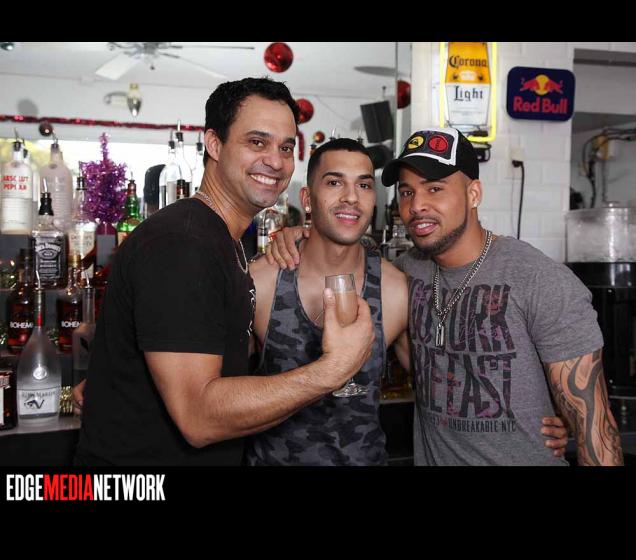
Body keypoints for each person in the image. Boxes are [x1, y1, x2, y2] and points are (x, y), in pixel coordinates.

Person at [73, 77, 375, 466]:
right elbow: (199, 417)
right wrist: (333, 369)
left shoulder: (220, 240)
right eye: (257, 142)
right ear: (214, 144)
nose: (276, 161)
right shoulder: (182, 243)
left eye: (286, 147)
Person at [265, 133, 573, 466]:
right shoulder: (404, 273)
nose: (417, 205)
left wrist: (561, 409)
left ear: (474, 194)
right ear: (308, 198)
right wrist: (296, 233)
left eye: (435, 188)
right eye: (407, 192)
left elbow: (453, 372)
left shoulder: (401, 283)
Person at [245, 138, 410, 465]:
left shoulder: (395, 290)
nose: (351, 197)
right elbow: (218, 399)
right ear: (307, 199)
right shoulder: (261, 282)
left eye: (364, 185)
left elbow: (438, 390)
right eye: (335, 183)